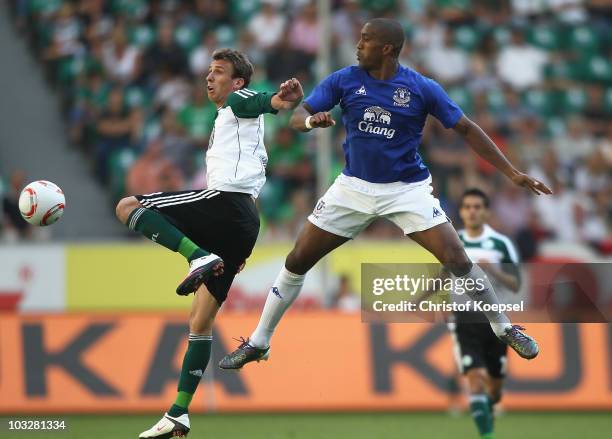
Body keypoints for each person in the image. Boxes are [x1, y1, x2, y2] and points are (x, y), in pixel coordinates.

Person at [219, 18, 551, 371]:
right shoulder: (344, 79)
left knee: (456, 258)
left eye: (365, 40)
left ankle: (504, 328)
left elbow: (466, 129)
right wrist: (312, 122)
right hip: (353, 187)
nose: (358, 45)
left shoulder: (421, 88)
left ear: (386, 49)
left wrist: (512, 172)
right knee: (297, 259)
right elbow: (298, 116)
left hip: (406, 190)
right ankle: (259, 342)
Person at [114, 48, 304, 438]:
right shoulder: (230, 118)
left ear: (237, 81)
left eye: (218, 72)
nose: (209, 77)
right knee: (200, 321)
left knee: (128, 206)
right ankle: (179, 413)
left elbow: (267, 100)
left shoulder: (238, 100)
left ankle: (197, 257)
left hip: (225, 201)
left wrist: (281, 99)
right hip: (243, 221)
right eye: (208, 71)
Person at [449, 188, 521, 439]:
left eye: (477, 207)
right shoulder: (452, 240)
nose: (472, 211)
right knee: (475, 377)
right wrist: (416, 300)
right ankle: (486, 434)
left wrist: (494, 271)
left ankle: (489, 405)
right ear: (460, 212)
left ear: (486, 212)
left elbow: (516, 283)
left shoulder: (500, 243)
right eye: (467, 207)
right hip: (464, 317)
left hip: (496, 321)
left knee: (495, 386)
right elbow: (440, 276)